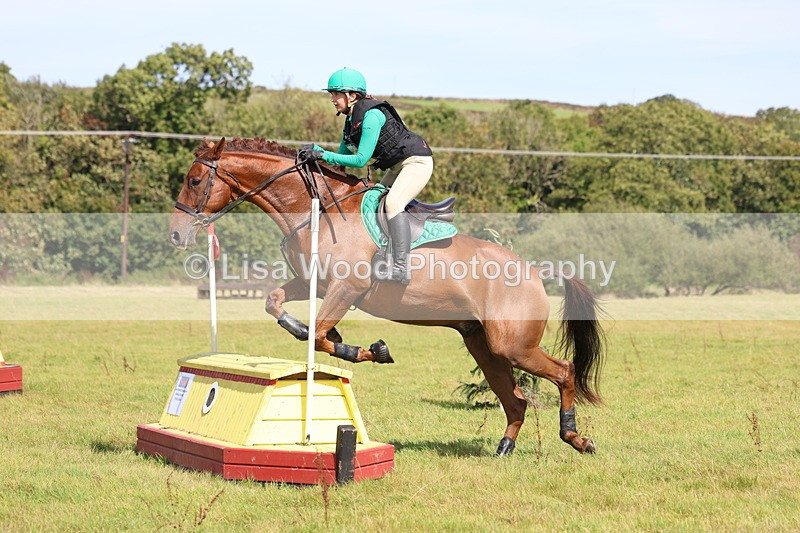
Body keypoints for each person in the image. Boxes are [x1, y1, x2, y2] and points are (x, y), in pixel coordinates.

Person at [298, 67, 433, 285]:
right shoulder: (351, 121)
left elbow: (360, 160)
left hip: (416, 162)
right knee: (373, 200)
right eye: (331, 94)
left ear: (352, 96)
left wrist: (323, 154)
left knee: (393, 203)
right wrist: (316, 154)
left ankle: (401, 268)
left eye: (336, 94)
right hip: (397, 167)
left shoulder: (371, 116)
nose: (332, 99)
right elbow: (340, 160)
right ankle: (381, 254)